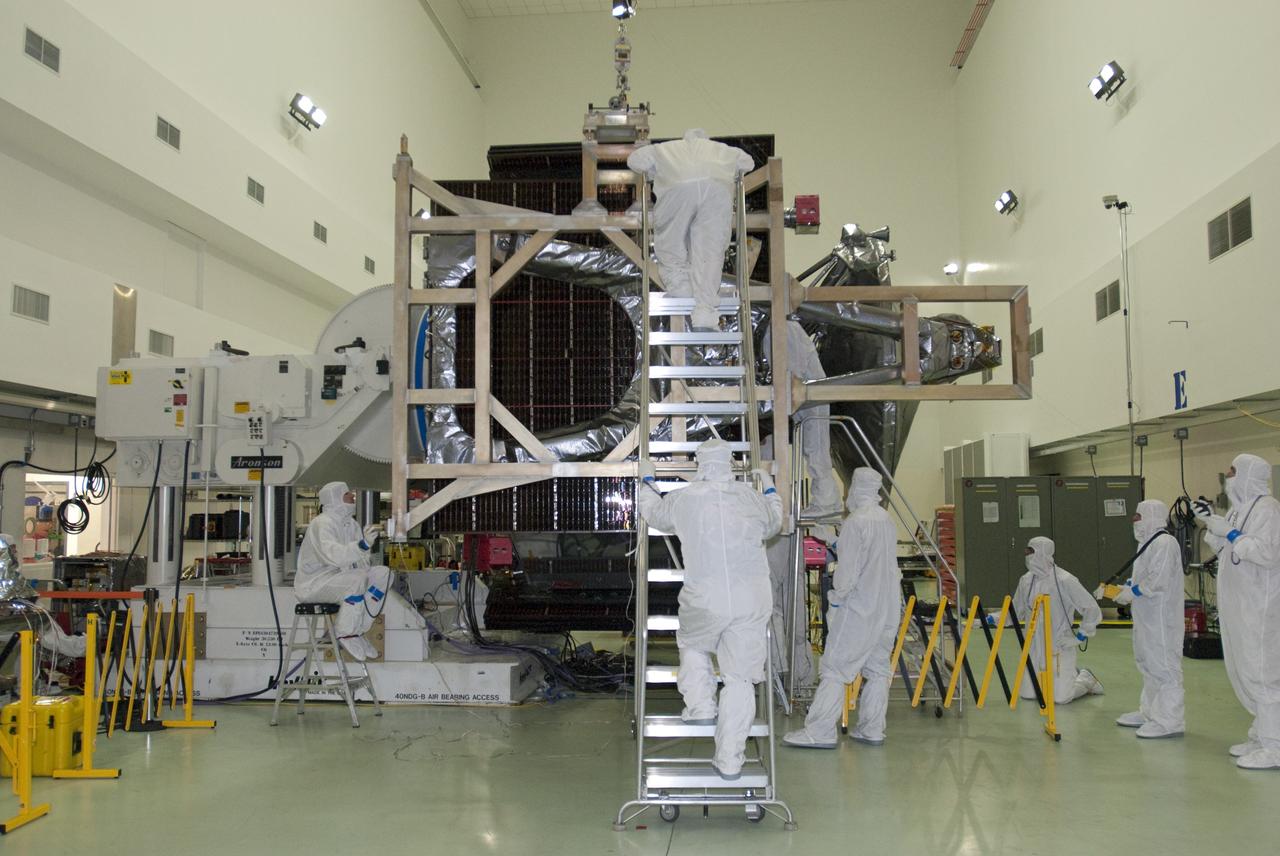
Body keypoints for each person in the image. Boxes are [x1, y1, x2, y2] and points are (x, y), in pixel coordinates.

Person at [636, 439, 782, 779]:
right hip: (751, 599)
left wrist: (646, 482)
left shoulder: (686, 498)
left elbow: (654, 513)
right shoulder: (749, 497)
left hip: (706, 597)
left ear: (700, 463)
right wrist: (771, 488)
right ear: (730, 462)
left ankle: (701, 705)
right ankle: (730, 761)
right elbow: (775, 522)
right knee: (741, 679)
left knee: (693, 643)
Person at [784, 467, 901, 749]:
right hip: (887, 606)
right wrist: (834, 539)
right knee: (877, 668)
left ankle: (820, 731)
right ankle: (872, 728)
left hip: (860, 607)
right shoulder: (885, 520)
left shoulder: (856, 522)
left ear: (855, 488)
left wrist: (836, 599)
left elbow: (848, 574)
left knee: (835, 667)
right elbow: (872, 557)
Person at [1196, 453, 1280, 769]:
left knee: (1263, 674)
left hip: (1261, 606)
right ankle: (1262, 736)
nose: (1228, 475)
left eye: (1233, 471)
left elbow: (1267, 553)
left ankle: (1276, 747)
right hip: (1239, 604)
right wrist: (1213, 523)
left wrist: (1229, 532)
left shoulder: (1268, 509)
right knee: (1244, 671)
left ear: (1247, 475)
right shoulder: (1239, 510)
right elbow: (1226, 549)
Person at [627, 129, 754, 331]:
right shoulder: (722, 149)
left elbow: (635, 160)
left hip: (677, 187)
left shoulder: (666, 148)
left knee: (671, 240)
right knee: (710, 252)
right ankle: (705, 316)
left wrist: (654, 172)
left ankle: (681, 288)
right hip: (717, 188)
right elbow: (748, 163)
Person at [1111, 499, 1185, 738]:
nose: (1135, 520)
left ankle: (1169, 721)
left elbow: (1158, 580)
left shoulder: (1164, 542)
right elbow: (1143, 577)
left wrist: (1131, 593)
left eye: (1139, 516)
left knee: (1164, 665)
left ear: (1152, 516)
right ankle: (1150, 712)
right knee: (1148, 663)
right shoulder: (1146, 543)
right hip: (1146, 615)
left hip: (1162, 617)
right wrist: (1125, 589)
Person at [295, 481, 391, 661]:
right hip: (315, 584)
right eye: (347, 494)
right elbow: (334, 556)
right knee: (356, 580)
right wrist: (362, 545)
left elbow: (361, 563)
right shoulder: (322, 524)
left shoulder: (351, 524)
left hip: (339, 579)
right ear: (335, 498)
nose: (352, 496)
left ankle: (359, 629)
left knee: (383, 574)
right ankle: (345, 632)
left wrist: (366, 548)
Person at [1013, 537, 1104, 704]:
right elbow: (1015, 611)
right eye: (1026, 551)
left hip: (1059, 645)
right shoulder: (1026, 580)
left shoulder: (1065, 580)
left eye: (1031, 551)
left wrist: (1080, 636)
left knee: (1061, 698)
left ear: (1044, 553)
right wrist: (987, 619)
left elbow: (1091, 608)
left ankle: (1085, 679)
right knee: (1029, 695)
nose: (1027, 556)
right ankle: (1065, 677)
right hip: (1033, 646)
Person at [787, 320, 841, 519]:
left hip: (810, 398)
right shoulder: (782, 328)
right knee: (812, 450)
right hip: (805, 401)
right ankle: (828, 500)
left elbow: (795, 372)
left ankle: (826, 501)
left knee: (815, 449)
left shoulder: (786, 328)